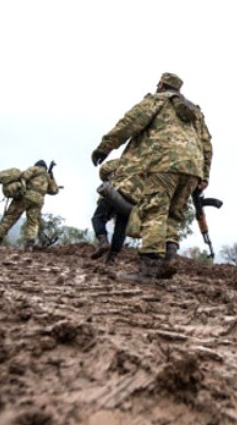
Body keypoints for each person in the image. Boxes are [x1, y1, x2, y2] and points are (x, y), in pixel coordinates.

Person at [91, 72, 212, 281]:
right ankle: (169, 259)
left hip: (162, 163)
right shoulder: (196, 114)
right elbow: (207, 146)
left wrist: (104, 147)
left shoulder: (157, 101)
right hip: (193, 168)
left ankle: (147, 270)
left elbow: (129, 123)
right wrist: (204, 176)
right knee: (173, 215)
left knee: (154, 212)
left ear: (162, 84)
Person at [0, 160, 59, 250]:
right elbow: (54, 190)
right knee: (33, 222)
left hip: (25, 196)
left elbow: (24, 177)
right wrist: (52, 177)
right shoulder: (48, 177)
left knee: (11, 217)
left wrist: (18, 188)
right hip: (38, 201)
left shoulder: (34, 169)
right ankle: (29, 245)